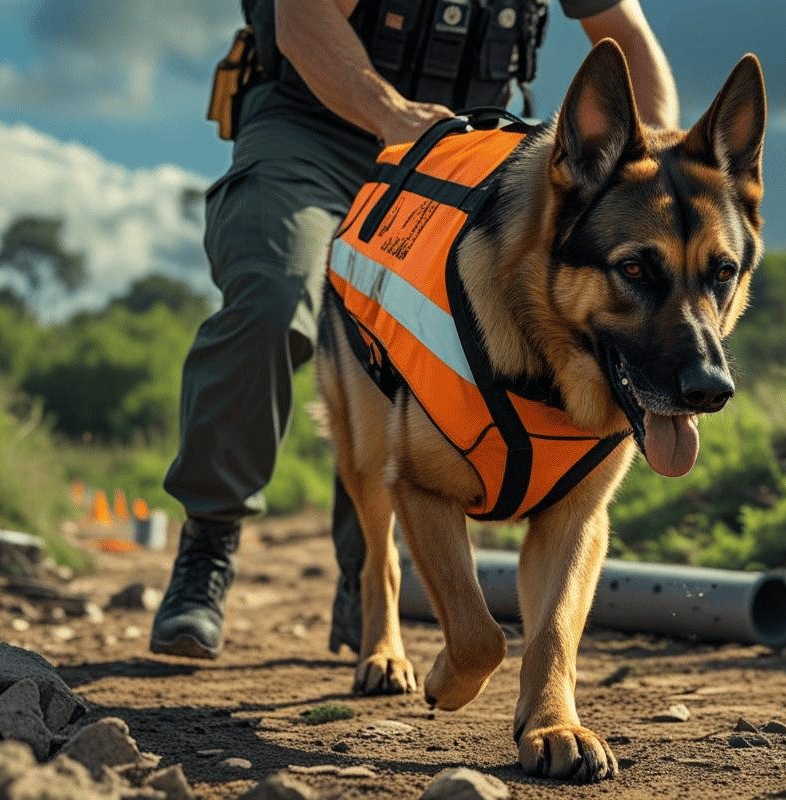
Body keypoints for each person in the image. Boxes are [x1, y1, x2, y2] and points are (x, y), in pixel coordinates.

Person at [151, 0, 678, 660]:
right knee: (273, 297)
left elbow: (624, 34)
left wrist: (651, 171)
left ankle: (365, 580)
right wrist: (391, 115)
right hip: (316, 131)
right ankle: (210, 539)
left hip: (460, 153)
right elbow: (303, 18)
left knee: (442, 339)